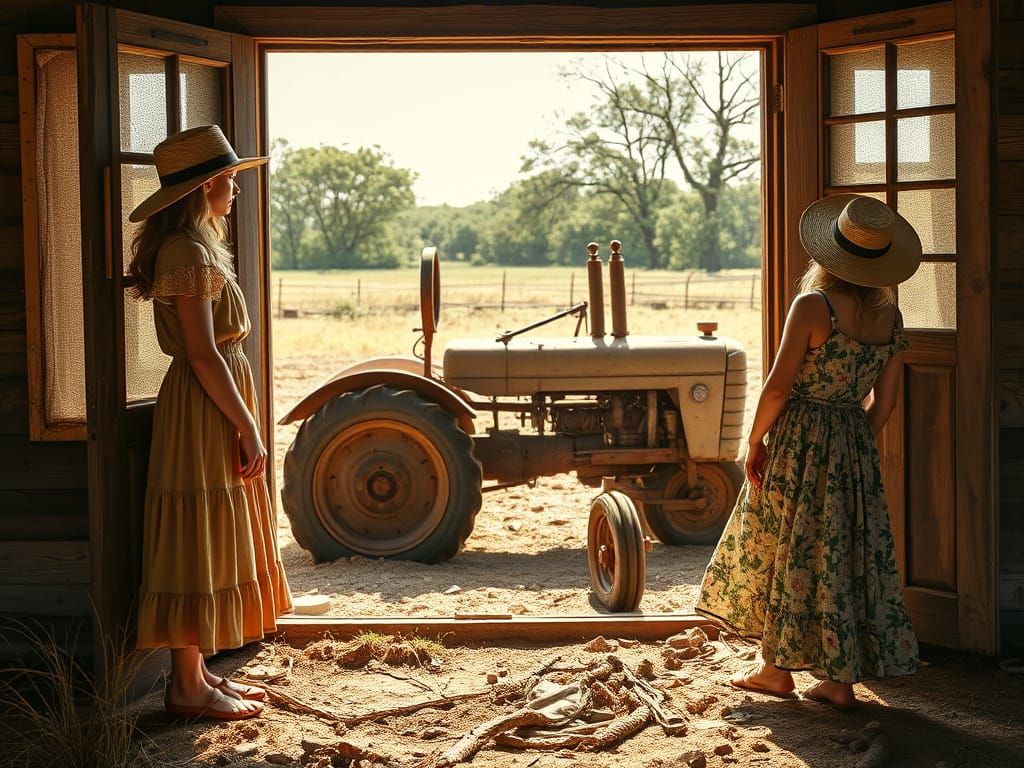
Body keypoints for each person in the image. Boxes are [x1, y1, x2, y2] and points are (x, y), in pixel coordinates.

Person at [695, 194, 921, 711]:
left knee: (788, 544)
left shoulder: (813, 306)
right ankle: (838, 681)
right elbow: (883, 403)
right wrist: (851, 445)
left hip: (800, 441)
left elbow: (777, 387)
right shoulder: (890, 316)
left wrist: (755, 441)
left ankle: (776, 670)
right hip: (853, 443)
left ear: (830, 255)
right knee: (841, 552)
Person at [128, 125, 293, 721]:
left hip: (211, 397)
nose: (235, 190)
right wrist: (248, 423)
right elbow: (202, 352)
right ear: (202, 189)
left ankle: (194, 678)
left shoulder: (196, 247)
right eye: (227, 179)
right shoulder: (186, 253)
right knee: (197, 533)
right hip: (204, 402)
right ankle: (187, 686)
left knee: (210, 530)